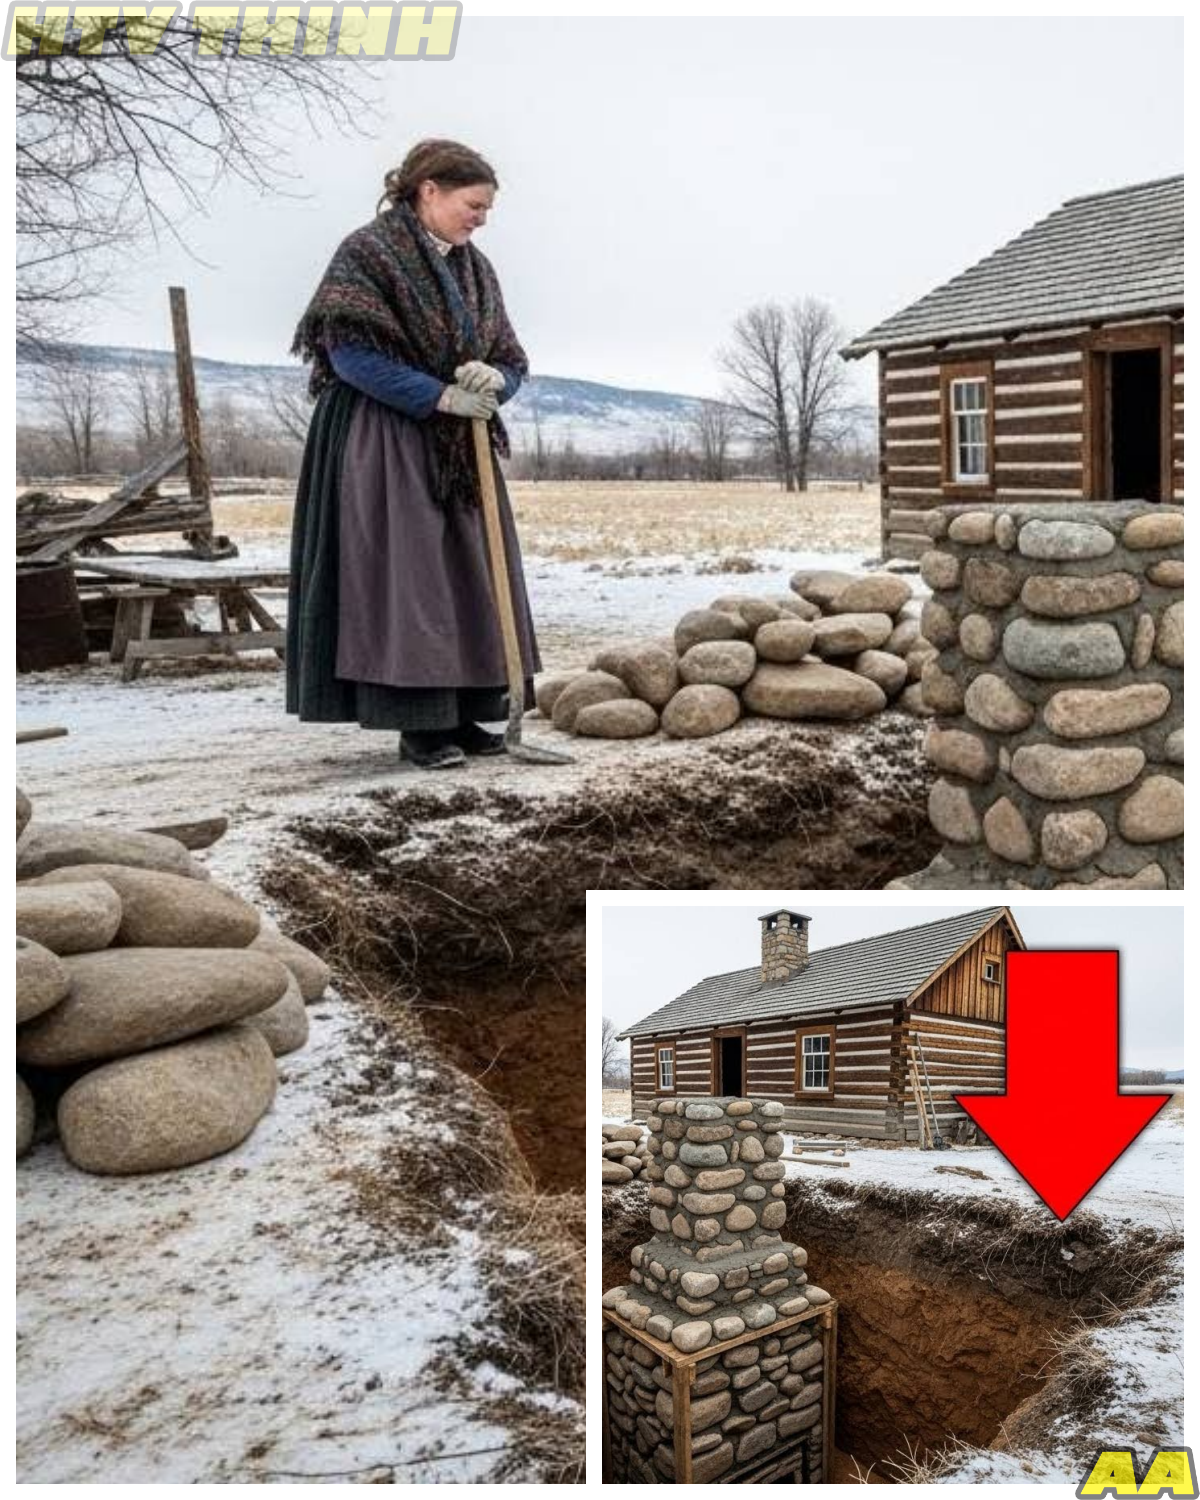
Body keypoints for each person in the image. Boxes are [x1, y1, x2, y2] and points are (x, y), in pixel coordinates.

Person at [286, 138, 541, 769]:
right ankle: (418, 724)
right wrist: (438, 396)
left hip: (460, 445)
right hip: (384, 436)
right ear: (429, 191)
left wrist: (496, 379)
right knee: (410, 579)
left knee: (470, 576)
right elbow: (349, 352)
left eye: (487, 209)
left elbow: (510, 355)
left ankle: (465, 713)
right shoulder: (369, 253)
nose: (480, 219)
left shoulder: (475, 269)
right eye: (473, 205)